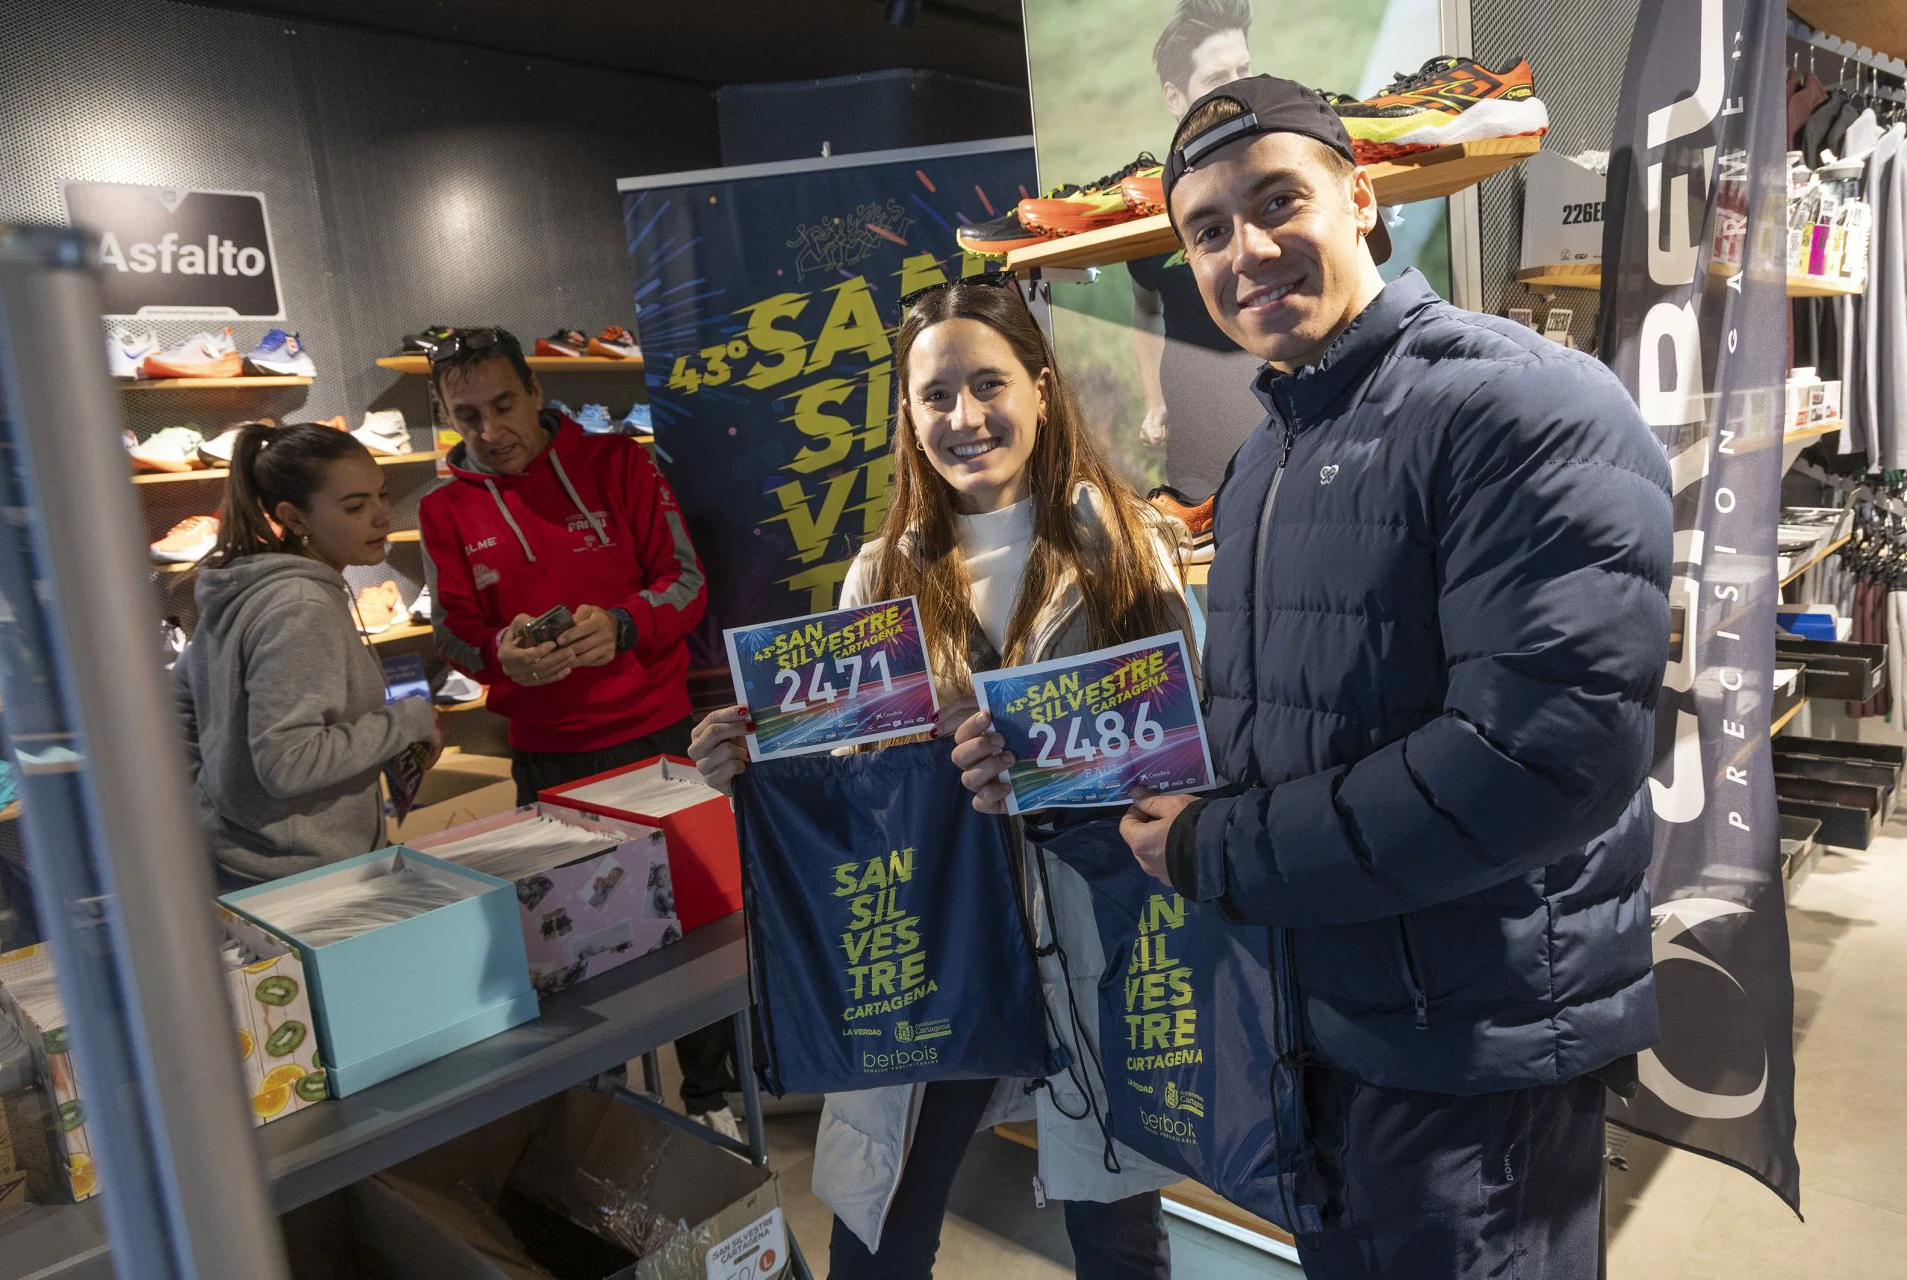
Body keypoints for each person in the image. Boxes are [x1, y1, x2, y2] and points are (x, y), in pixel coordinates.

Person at [961, 76, 1673, 1278]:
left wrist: (1214, 849)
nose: (1247, 250)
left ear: (1361, 198)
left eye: (1276, 200)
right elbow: (1251, 758)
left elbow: (1536, 762)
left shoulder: (1520, 405)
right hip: (1319, 1035)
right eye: (1208, 230)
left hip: (1471, 1053)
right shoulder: (1267, 459)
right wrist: (1058, 778)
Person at [690, 277, 1192, 1279]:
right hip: (936, 944)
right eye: (934, 395)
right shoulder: (878, 578)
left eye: (988, 384)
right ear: (906, 413)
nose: (964, 418)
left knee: (1118, 1235)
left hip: (1096, 935)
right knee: (880, 1239)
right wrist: (757, 760)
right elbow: (852, 788)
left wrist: (1034, 759)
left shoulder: (1135, 548)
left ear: (1043, 390)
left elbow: (1183, 760)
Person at [416, 327, 740, 1136]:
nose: (489, 432)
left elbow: (686, 584)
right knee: (568, 949)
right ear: (444, 415)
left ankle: (710, 1098)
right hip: (548, 753)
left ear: (534, 393)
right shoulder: (442, 509)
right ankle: (599, 1111)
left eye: (501, 406)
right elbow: (453, 632)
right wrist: (502, 656)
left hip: (655, 736)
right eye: (466, 415)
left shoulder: (621, 463)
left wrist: (624, 626)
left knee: (696, 929)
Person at [175, 422, 441, 888]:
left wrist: (215, 795)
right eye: (355, 505)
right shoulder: (299, 607)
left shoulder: (247, 586)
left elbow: (177, 698)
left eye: (381, 495)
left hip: (246, 859)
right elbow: (289, 763)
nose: (382, 515)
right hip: (300, 874)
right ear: (294, 518)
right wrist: (408, 723)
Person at [1129, 0, 1265, 503]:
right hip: (1198, 442)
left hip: (1293, 419)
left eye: (1244, 70)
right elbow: (1145, 311)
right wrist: (1154, 400)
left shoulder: (1290, 179)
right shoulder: (1147, 206)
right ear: (1174, 95)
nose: (1238, 87)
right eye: (1217, 77)